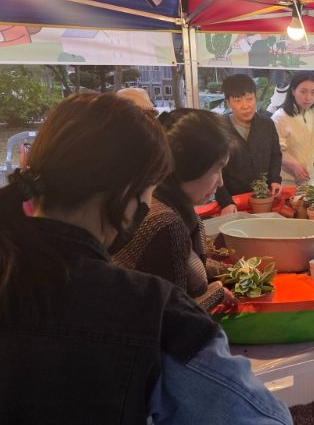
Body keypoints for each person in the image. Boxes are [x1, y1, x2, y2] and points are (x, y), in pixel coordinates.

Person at [0, 93, 291, 424]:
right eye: (151, 188)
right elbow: (259, 417)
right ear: (127, 190)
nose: (150, 204)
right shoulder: (150, 308)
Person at [113, 109, 236, 311]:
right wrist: (217, 293)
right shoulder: (166, 223)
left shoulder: (166, 201)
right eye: (216, 169)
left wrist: (235, 271)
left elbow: (183, 262)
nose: (221, 182)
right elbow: (175, 316)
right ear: (191, 165)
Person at [216, 74, 282, 215]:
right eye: (238, 101)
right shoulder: (219, 129)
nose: (245, 106)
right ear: (228, 103)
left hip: (264, 198)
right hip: (233, 202)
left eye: (250, 99)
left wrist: (275, 180)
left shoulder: (267, 125)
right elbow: (214, 170)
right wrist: (225, 202)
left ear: (255, 98)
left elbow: (275, 155)